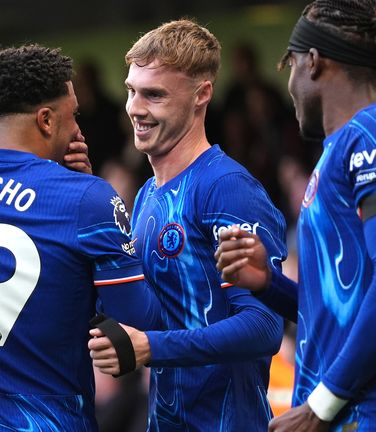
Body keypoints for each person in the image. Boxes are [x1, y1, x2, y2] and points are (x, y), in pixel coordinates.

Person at [214, 1, 376, 430]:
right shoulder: (349, 145)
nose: (290, 85)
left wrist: (321, 406)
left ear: (313, 62)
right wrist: (270, 284)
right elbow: (346, 308)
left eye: (289, 65)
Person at [0, 44, 160, 431]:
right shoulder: (85, 199)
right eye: (73, 115)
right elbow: (137, 323)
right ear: (45, 120)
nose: (77, 128)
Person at [87, 19, 287, 431]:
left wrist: (151, 348)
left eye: (154, 95)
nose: (135, 108)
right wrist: (81, 199)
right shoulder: (146, 196)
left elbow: (264, 326)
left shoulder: (226, 187)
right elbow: (155, 317)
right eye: (131, 91)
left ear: (202, 95)